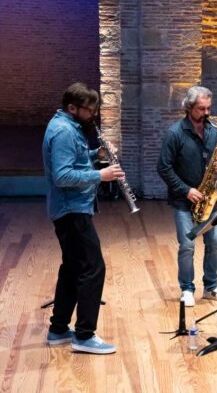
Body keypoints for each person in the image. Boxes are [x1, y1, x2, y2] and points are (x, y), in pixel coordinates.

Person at [42, 82, 124, 354]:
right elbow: (62, 176)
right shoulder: (64, 131)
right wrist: (100, 175)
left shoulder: (68, 126)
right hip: (71, 210)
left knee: (72, 268)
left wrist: (95, 155)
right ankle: (84, 335)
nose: (93, 116)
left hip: (72, 208)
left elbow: (74, 160)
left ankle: (58, 329)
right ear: (72, 108)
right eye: (90, 111)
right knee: (93, 268)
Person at [157, 86, 217, 307]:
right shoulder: (175, 133)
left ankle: (211, 288)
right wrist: (186, 190)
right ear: (189, 107)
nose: (207, 113)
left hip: (208, 198)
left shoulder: (214, 131)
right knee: (187, 245)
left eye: (208, 108)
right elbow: (163, 168)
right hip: (183, 200)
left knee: (214, 242)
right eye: (201, 109)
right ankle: (187, 289)